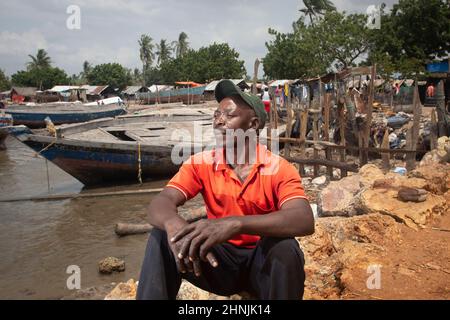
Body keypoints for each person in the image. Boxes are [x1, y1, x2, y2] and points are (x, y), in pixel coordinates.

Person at [137, 79, 314, 300]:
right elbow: (161, 203)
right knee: (162, 235)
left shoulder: (278, 168)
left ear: (253, 124)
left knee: (285, 248)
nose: (219, 122)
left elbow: (304, 219)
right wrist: (173, 224)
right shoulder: (201, 163)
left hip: (260, 266)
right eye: (216, 115)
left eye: (229, 116)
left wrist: (235, 224)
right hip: (216, 261)